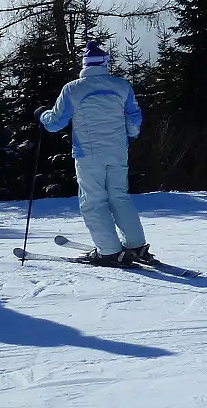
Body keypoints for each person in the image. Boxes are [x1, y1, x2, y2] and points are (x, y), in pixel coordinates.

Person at [39, 40, 151, 267]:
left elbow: (55, 123)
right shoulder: (121, 86)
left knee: (93, 201)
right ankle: (136, 245)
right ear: (105, 63)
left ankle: (109, 251)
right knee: (119, 197)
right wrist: (130, 135)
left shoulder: (73, 89)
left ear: (85, 64)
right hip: (118, 152)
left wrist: (42, 116)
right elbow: (134, 119)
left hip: (88, 155)